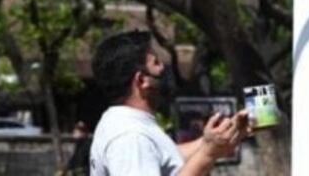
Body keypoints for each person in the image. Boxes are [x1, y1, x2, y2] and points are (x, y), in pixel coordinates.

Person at [89, 31, 250, 176]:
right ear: (141, 80)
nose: (164, 67)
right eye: (156, 62)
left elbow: (166, 156)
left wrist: (213, 140)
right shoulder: (130, 137)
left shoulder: (126, 123)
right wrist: (207, 154)